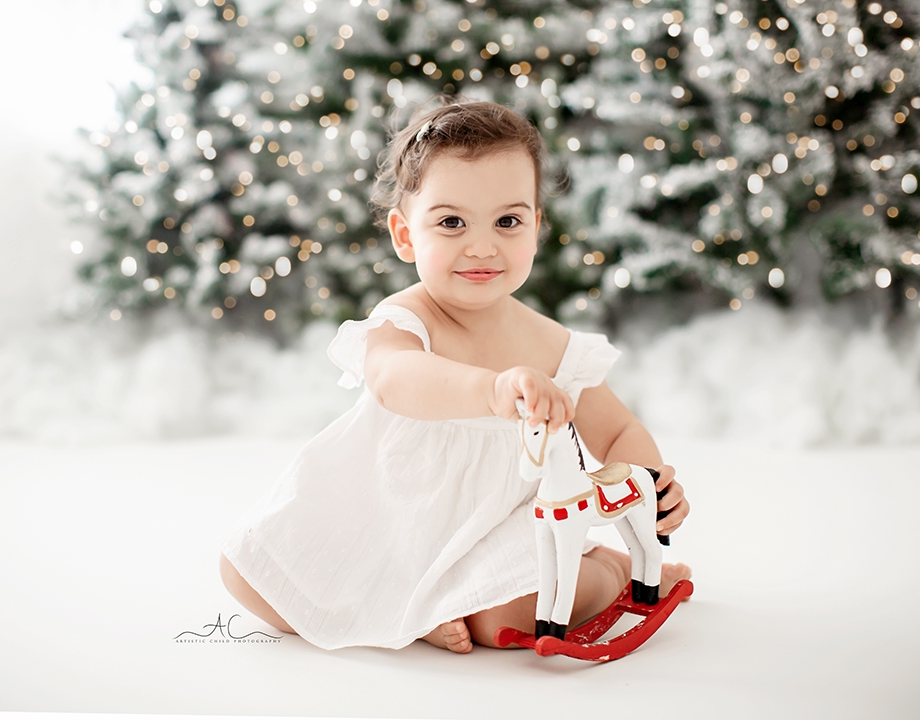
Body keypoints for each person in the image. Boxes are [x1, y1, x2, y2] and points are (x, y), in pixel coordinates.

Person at [219, 98, 691, 654]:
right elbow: (396, 378)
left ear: (536, 228)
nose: (483, 246)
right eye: (450, 222)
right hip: (390, 519)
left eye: (508, 221)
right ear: (405, 235)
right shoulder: (407, 319)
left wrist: (650, 484)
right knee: (249, 571)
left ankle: (609, 569)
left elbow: (614, 432)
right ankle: (412, 609)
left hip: (494, 532)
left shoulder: (554, 346)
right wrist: (489, 389)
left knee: (505, 619)